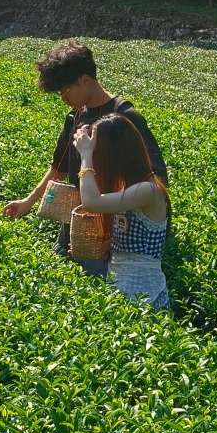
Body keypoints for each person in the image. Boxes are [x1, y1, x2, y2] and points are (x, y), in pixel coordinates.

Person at [3, 40, 167, 276]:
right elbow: (57, 169)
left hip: (112, 233)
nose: (62, 98)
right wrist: (26, 203)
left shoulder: (124, 118)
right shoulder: (75, 116)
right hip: (75, 223)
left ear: (85, 80)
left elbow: (154, 176)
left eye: (64, 92)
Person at [73, 113, 170, 308]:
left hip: (144, 295)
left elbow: (91, 202)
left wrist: (85, 155)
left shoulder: (148, 190)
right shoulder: (127, 187)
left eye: (99, 155)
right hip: (120, 287)